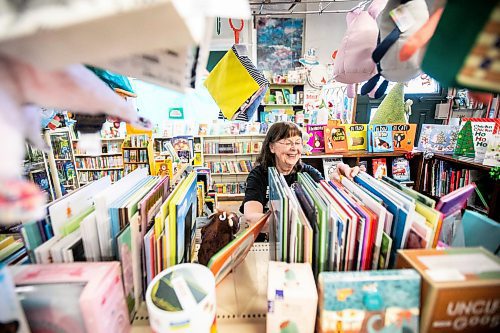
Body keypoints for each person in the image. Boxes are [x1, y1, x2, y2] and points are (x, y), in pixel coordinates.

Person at [241, 121, 360, 224]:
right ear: (272, 147)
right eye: (287, 143)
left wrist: (339, 179)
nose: (294, 148)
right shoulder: (258, 175)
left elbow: (328, 197)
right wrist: (295, 221)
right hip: (269, 240)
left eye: (298, 143)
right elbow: (252, 217)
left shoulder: (307, 172)